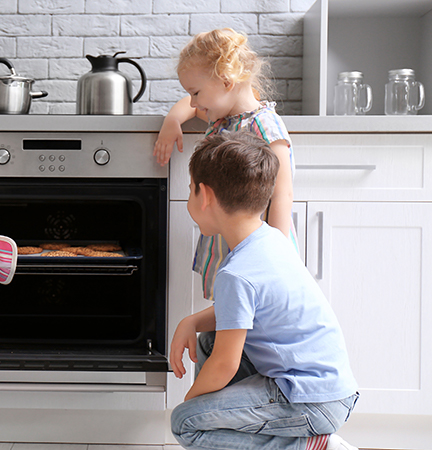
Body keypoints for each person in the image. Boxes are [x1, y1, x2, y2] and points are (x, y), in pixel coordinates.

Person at [169, 131, 359, 450]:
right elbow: (242, 310)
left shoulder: (236, 273)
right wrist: (192, 321)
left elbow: (225, 365)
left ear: (204, 196)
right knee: (211, 341)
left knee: (186, 424)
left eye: (190, 190)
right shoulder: (270, 240)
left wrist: (192, 405)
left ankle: (312, 446)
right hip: (328, 390)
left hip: (311, 402)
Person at [153, 28, 296, 300]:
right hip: (227, 238)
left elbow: (282, 194)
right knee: (232, 306)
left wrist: (274, 257)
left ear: (226, 82)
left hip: (258, 247)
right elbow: (190, 106)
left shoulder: (264, 125)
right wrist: (172, 120)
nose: (194, 102)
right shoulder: (221, 117)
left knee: (252, 307)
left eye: (196, 92)